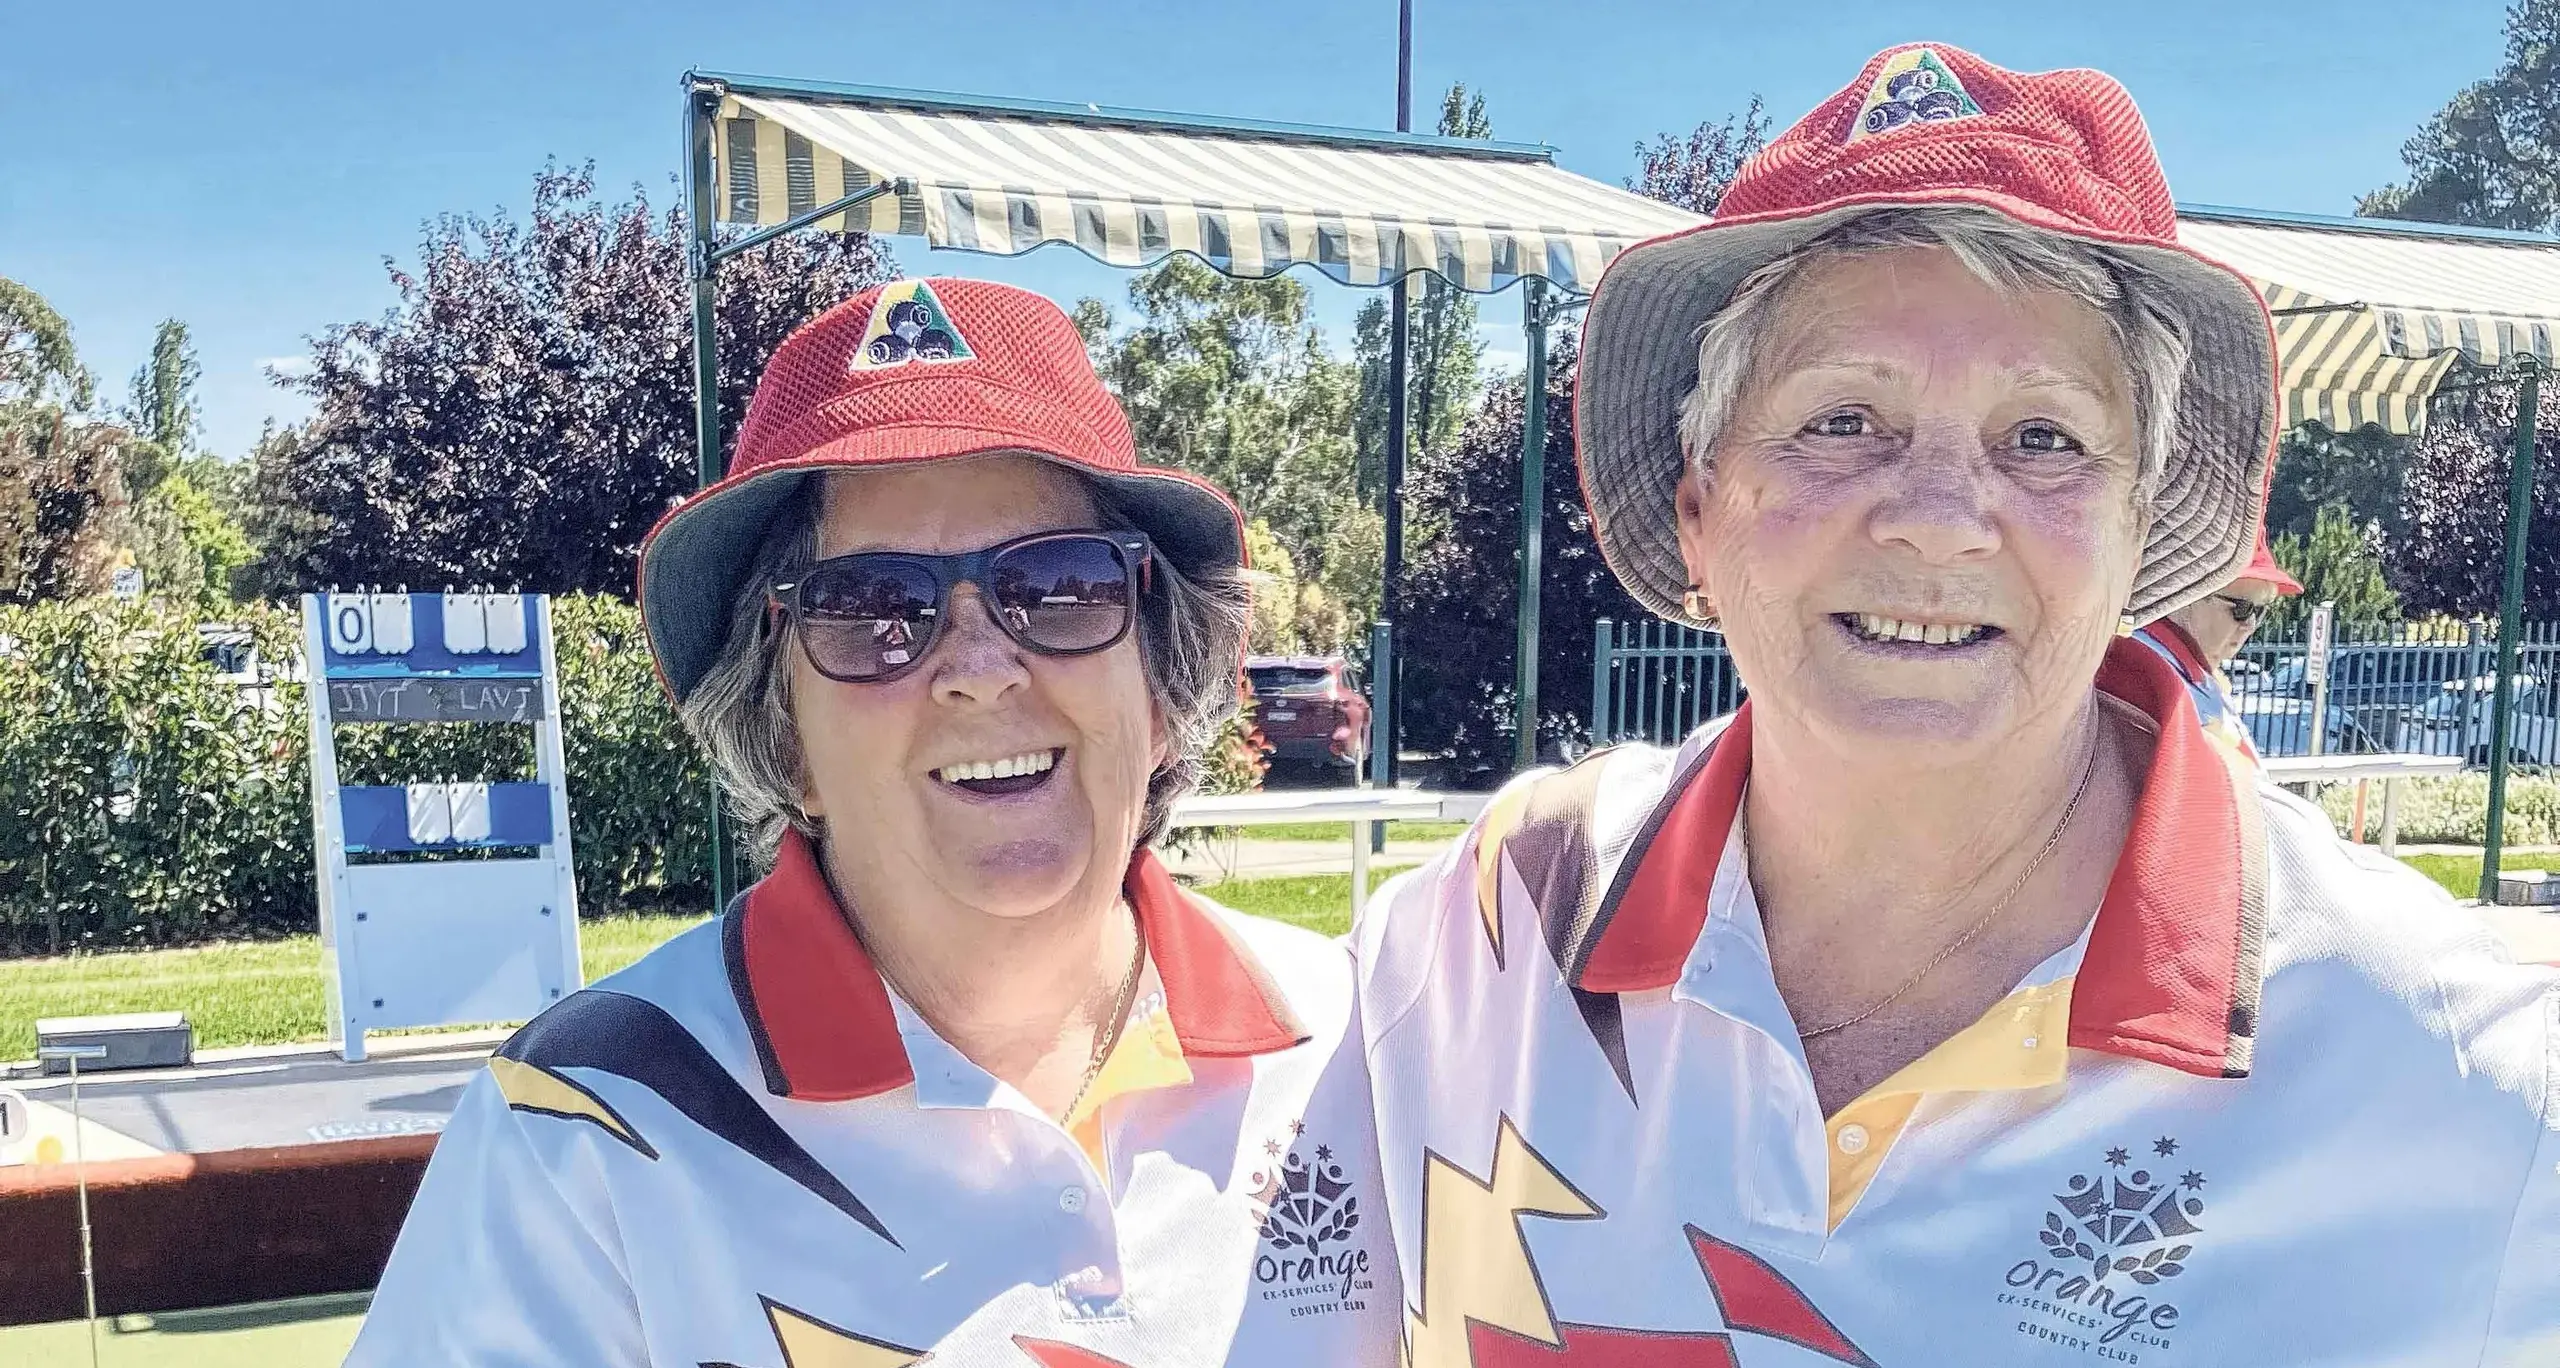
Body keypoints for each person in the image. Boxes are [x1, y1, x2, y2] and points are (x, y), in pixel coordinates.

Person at [1356, 45, 2558, 1365]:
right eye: (1842, 419)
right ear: (1701, 514)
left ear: (2135, 537)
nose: (1937, 519)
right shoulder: (1477, 946)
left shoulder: (2462, 1091)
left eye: (2043, 437)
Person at [352, 279, 1399, 1366]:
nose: (982, 668)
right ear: (787, 739)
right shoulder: (587, 1125)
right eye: (871, 610)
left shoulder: (1358, 1046)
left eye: (1060, 585)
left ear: (1159, 691)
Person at [2134, 532, 2300, 765]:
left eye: (2260, 611)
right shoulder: (2152, 673)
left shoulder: (2189, 671)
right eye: (2241, 609)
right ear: (2188, 593)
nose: (2251, 625)